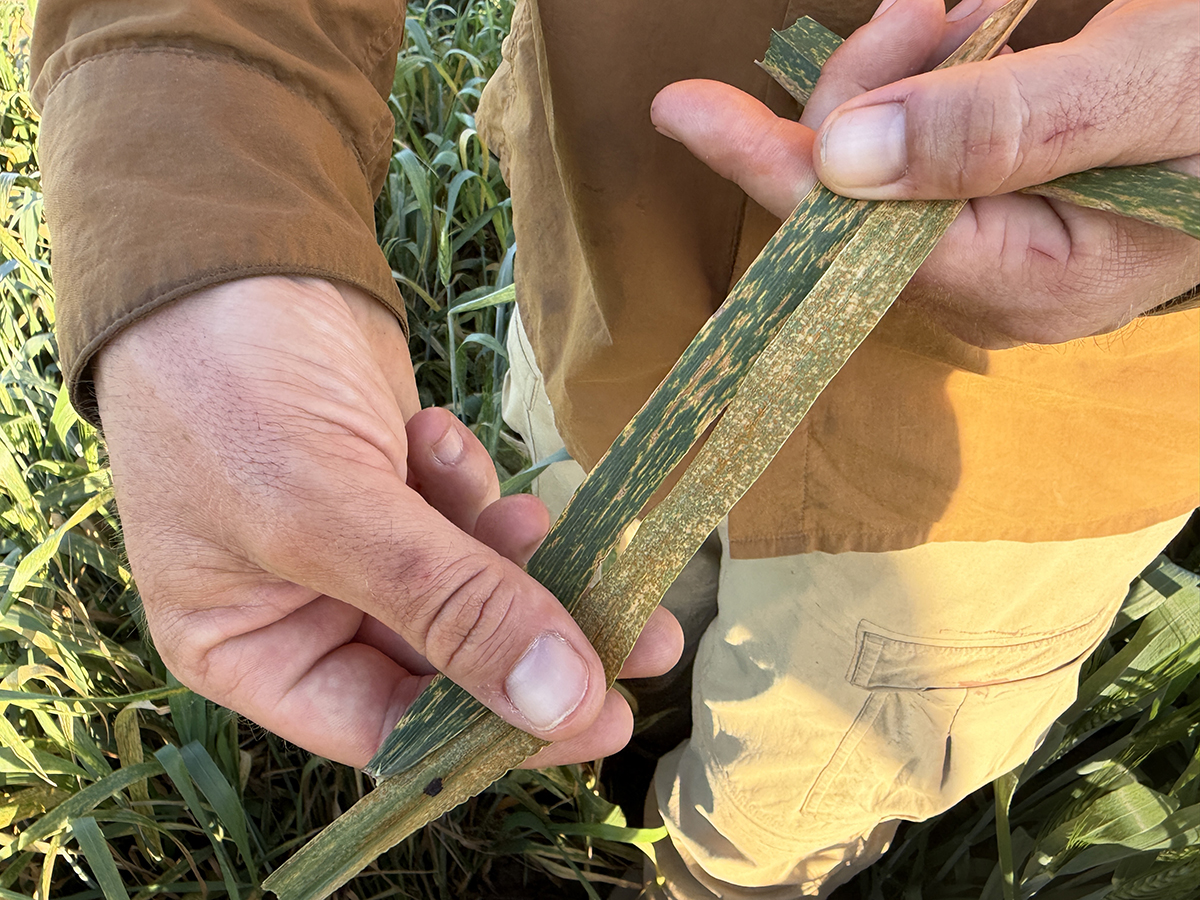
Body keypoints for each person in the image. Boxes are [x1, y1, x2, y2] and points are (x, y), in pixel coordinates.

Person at [30, 0, 1199, 896]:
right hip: (605, 284)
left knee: (789, 797)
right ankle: (609, 795)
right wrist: (202, 217)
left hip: (1021, 469)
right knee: (582, 611)